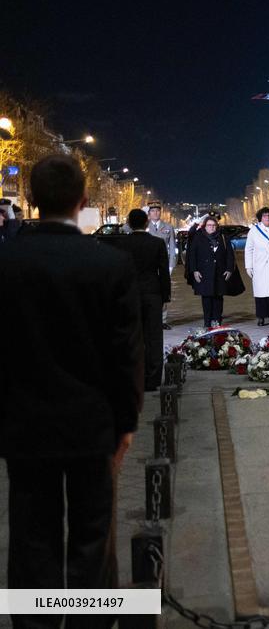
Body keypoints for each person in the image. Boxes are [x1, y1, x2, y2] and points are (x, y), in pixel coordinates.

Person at [0, 154, 142, 618]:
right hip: (91, 424)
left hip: (22, 425)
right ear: (84, 201)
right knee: (92, 538)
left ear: (32, 200)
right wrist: (126, 422)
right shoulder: (109, 264)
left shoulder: (7, 261)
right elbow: (126, 355)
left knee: (30, 538)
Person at [118, 208, 171, 391]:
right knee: (154, 336)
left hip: (129, 295)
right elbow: (163, 273)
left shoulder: (121, 244)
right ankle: (153, 378)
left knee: (131, 336)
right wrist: (166, 296)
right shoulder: (157, 243)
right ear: (147, 223)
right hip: (152, 293)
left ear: (129, 224)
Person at [187, 215, 240, 327]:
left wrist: (230, 269)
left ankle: (217, 321)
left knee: (218, 298)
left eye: (213, 225)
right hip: (204, 273)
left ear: (217, 226)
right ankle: (207, 322)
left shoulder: (223, 237)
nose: (211, 227)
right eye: (209, 225)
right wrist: (194, 270)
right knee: (206, 298)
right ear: (205, 226)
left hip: (220, 273)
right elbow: (192, 255)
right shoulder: (198, 237)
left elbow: (230, 254)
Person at [245, 206, 269, 326]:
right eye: (264, 216)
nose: (267, 218)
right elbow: (249, 249)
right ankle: (261, 317)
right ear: (260, 218)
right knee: (260, 294)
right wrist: (249, 266)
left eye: (268, 216)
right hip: (259, 266)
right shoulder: (254, 230)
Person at [145, 201, 176, 330]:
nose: (155, 213)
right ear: (148, 213)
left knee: (163, 293)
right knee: (148, 292)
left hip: (163, 265)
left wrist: (171, 265)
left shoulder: (168, 227)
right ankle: (148, 319)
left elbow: (173, 247)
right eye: (152, 211)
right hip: (147, 265)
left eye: (157, 211)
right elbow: (125, 228)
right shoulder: (144, 226)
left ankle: (162, 320)